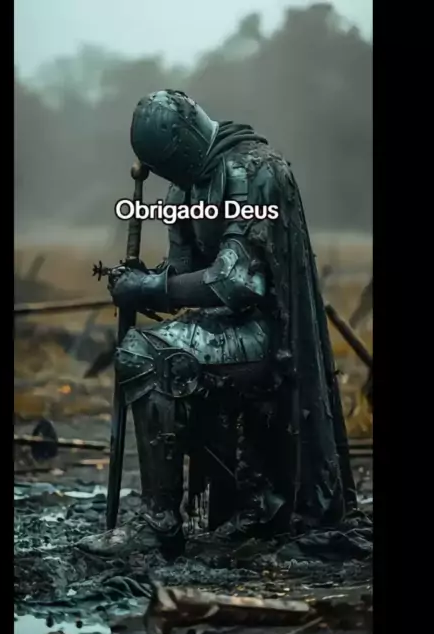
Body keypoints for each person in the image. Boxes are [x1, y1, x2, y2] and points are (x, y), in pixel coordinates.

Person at [99, 89, 357, 556]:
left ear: (187, 138)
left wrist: (151, 288)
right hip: (224, 328)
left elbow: (238, 282)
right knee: (147, 347)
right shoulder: (186, 186)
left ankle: (159, 525)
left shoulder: (254, 171)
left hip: (267, 332)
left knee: (143, 353)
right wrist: (138, 281)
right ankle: (184, 513)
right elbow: (182, 272)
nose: (172, 174)